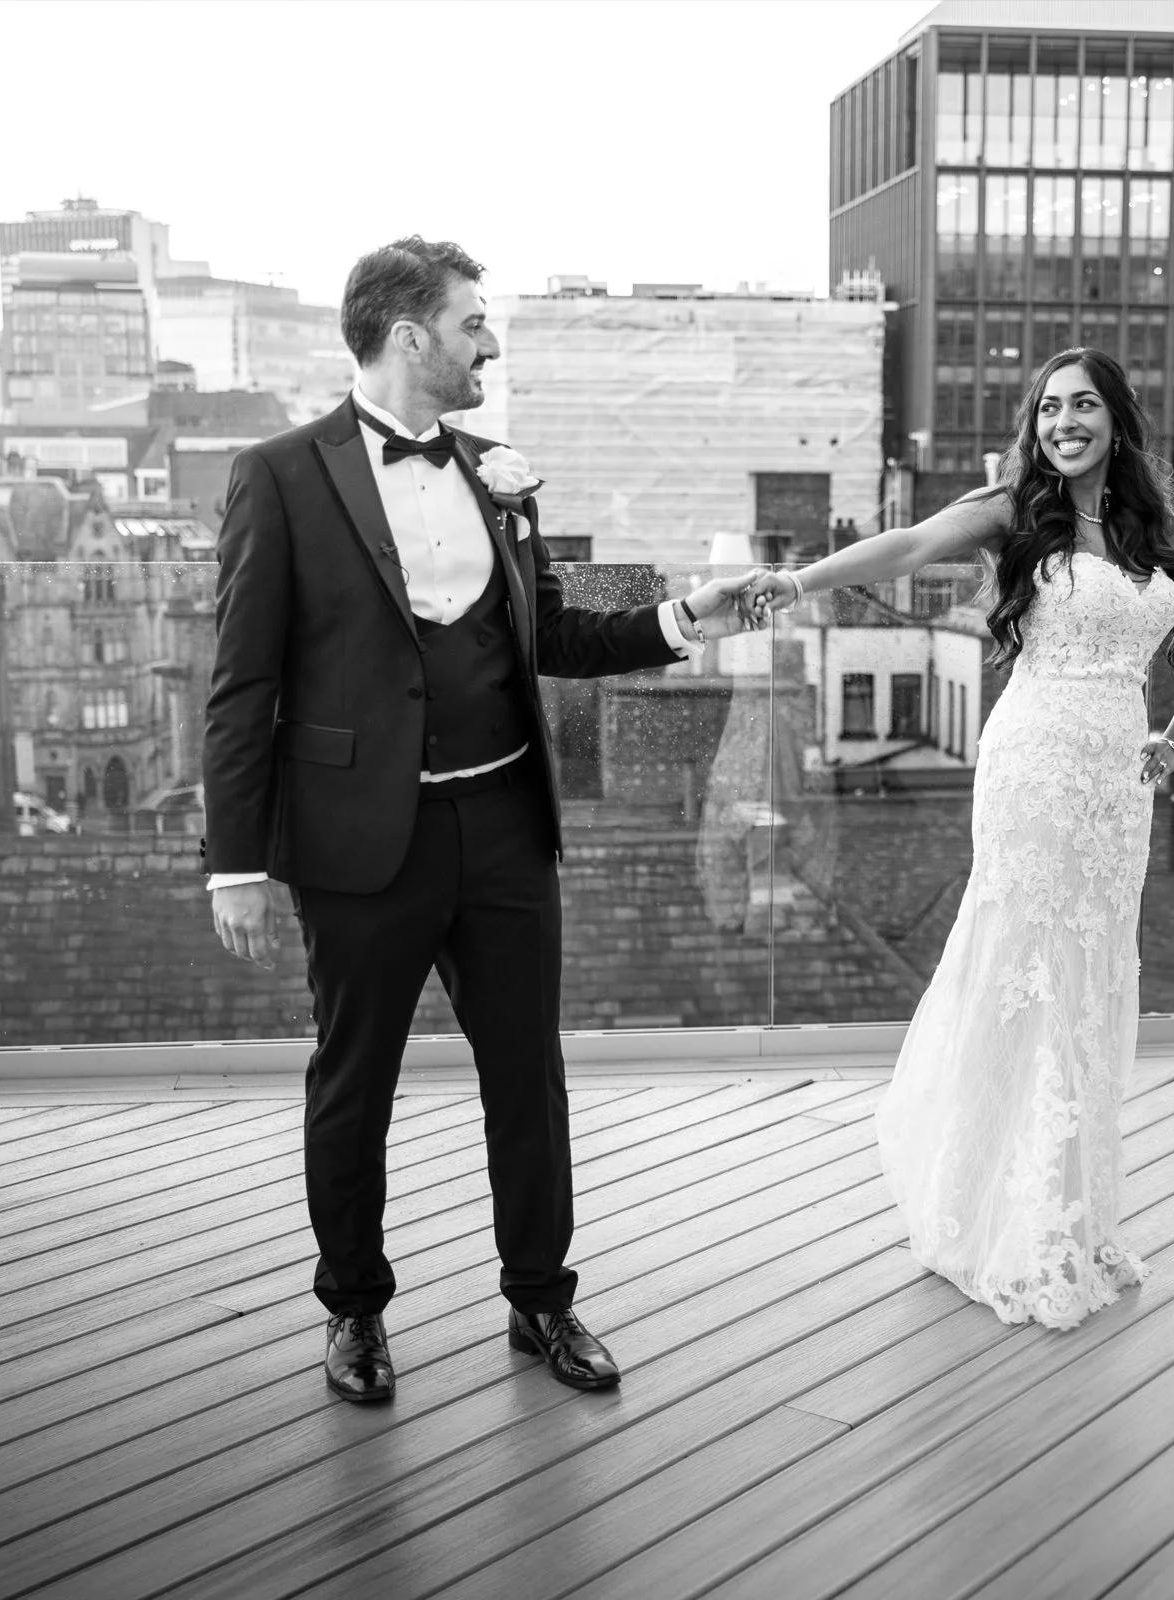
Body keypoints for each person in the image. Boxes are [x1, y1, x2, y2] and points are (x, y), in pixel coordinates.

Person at [204, 236, 764, 1403]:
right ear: (410, 335)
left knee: (530, 1076)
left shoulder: (497, 474)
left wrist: (685, 617)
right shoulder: (277, 476)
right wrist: (236, 865)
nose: (490, 344)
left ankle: (542, 1301)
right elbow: (240, 688)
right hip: (361, 845)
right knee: (352, 1081)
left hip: (507, 828)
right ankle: (353, 1311)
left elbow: (549, 633)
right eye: (473, 324)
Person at [753, 347, 1174, 1330]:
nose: (1065, 422)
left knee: (1093, 977)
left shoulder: (1152, 525)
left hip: (1115, 785)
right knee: (1031, 970)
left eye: (1085, 405)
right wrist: (797, 581)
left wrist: (1173, 741)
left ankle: (1075, 1212)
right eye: (1050, 407)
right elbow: (903, 547)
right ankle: (1011, 1221)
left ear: (1117, 418)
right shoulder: (1018, 509)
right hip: (1033, 769)